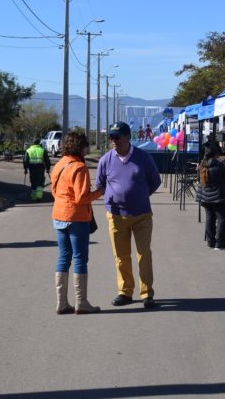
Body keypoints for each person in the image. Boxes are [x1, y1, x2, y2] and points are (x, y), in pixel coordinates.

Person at [96, 122, 162, 309]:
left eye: (117, 137)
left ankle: (147, 293)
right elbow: (100, 184)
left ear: (127, 137)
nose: (113, 141)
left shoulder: (143, 157)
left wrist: (139, 195)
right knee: (121, 256)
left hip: (142, 215)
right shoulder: (106, 160)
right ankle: (125, 291)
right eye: (111, 137)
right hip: (116, 216)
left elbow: (155, 181)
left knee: (144, 254)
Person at [51, 133, 104, 314]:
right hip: (76, 217)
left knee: (63, 257)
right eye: (86, 144)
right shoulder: (80, 167)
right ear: (80, 147)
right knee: (80, 258)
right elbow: (82, 198)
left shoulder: (59, 164)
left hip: (59, 215)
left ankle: (62, 302)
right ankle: (81, 302)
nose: (88, 147)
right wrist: (100, 192)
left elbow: (54, 190)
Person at [196, 146, 225, 250]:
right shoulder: (218, 165)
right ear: (216, 155)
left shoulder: (202, 165)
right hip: (217, 197)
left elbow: (198, 179)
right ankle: (220, 243)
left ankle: (211, 242)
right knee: (222, 218)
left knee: (210, 218)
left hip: (204, 196)